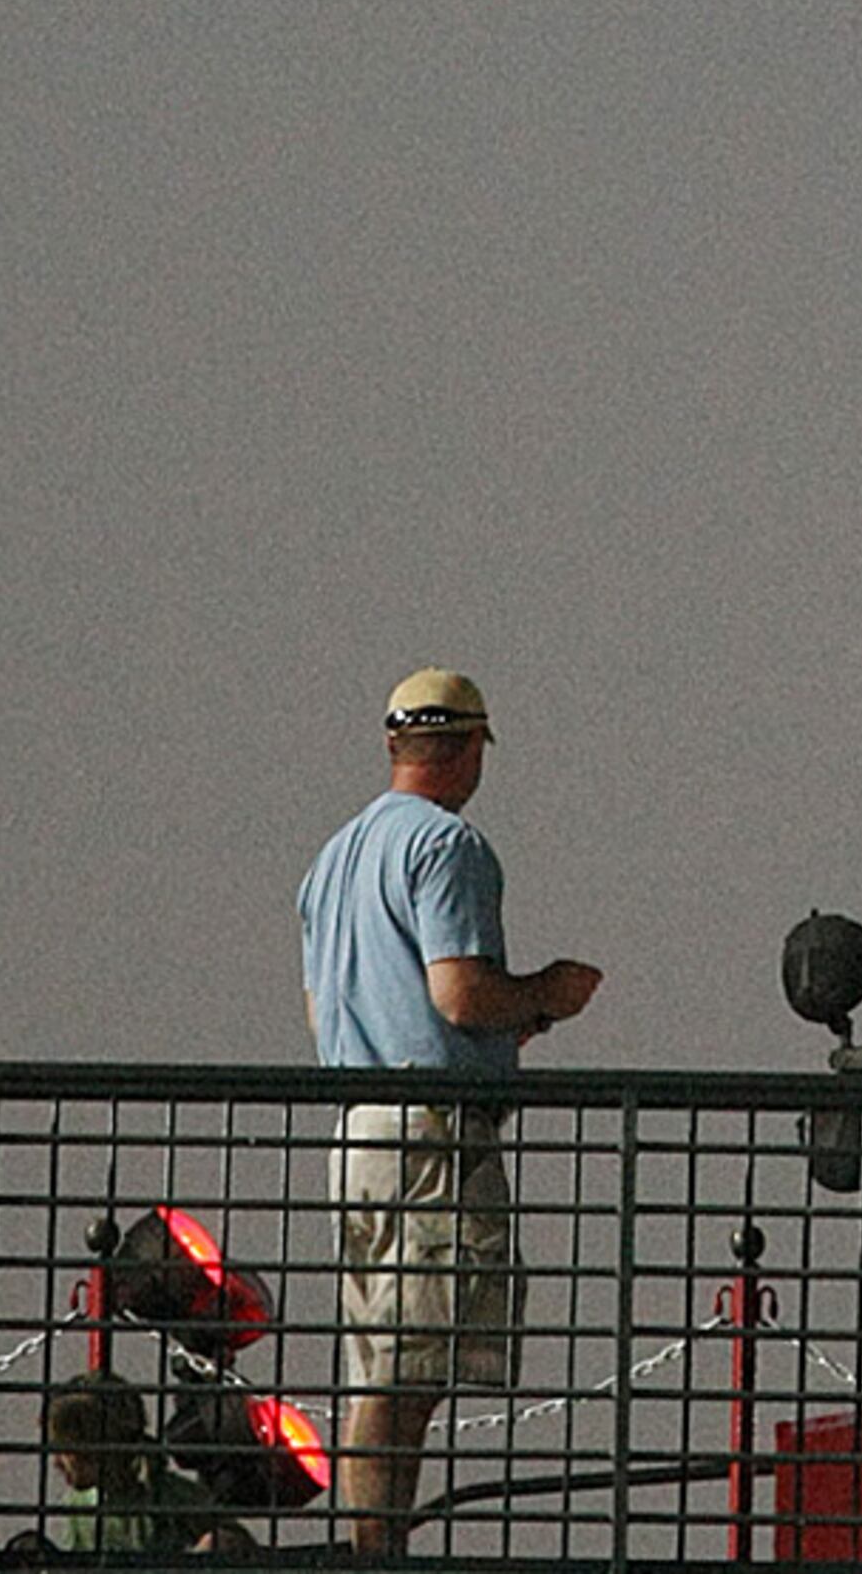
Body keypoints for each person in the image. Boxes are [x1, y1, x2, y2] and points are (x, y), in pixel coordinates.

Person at [295, 665, 599, 1562]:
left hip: (353, 1129)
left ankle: (367, 1543)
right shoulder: (447, 849)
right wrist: (547, 991)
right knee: (412, 1363)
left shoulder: (333, 858)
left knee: (373, 1363)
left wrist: (514, 1019)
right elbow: (460, 995)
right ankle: (379, 1549)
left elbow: (326, 1012)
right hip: (428, 1132)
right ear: (469, 750)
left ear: (395, 744)